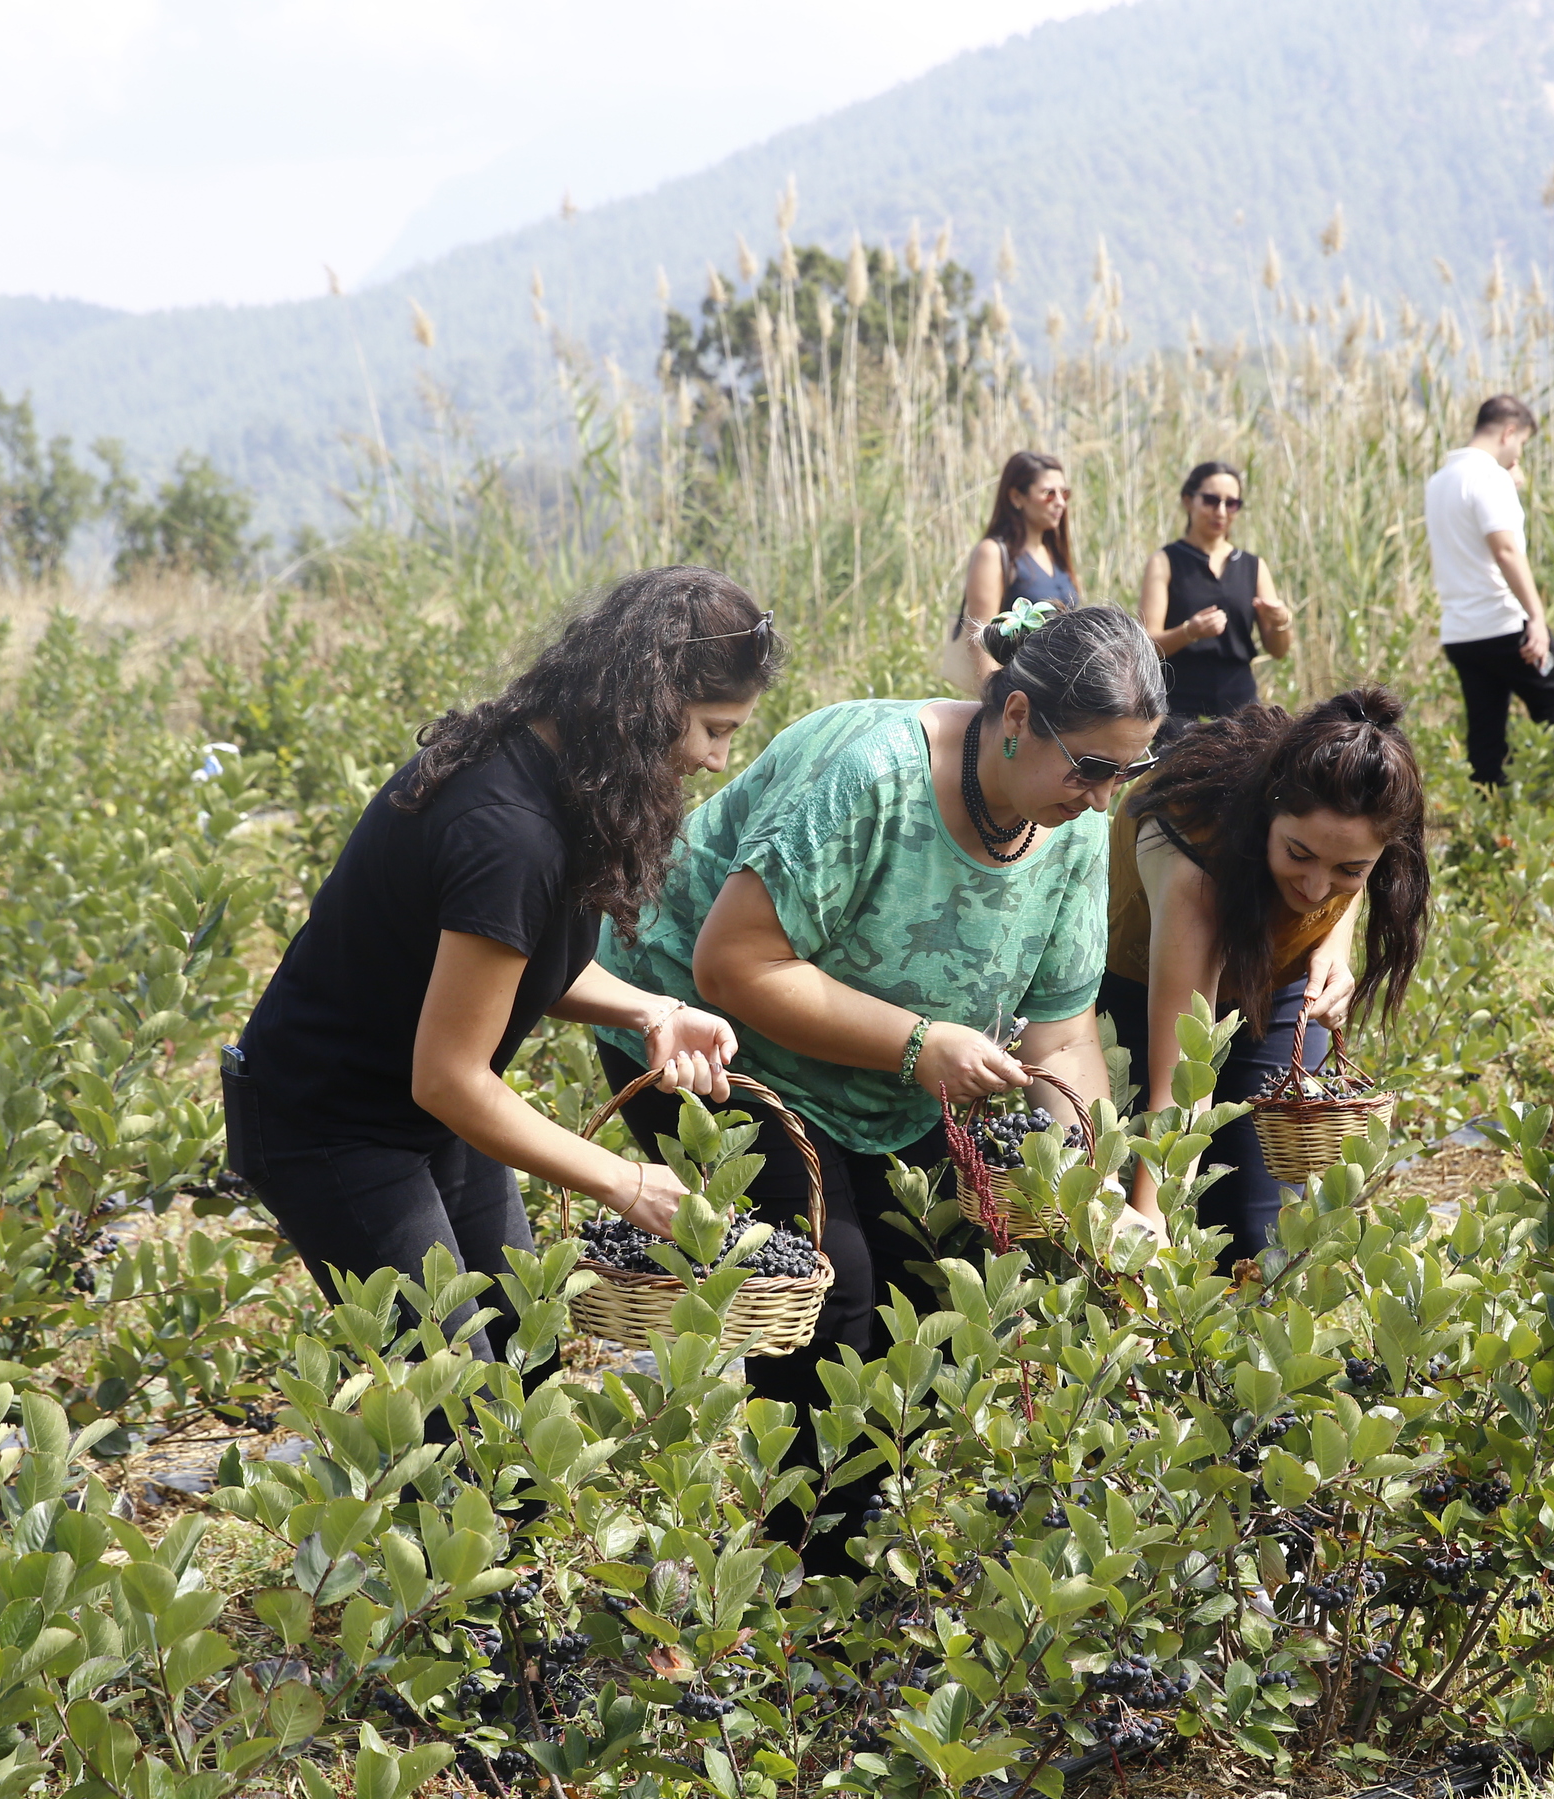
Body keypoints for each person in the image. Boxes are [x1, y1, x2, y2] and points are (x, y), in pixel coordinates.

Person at [598, 601, 1166, 1568]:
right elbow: (736, 966)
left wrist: (1095, 1178)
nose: (1107, 799)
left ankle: (854, 1550)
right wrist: (917, 1045)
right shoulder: (871, 775)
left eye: (1130, 771)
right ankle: (794, 1578)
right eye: (1093, 768)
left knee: (939, 1289)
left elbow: (1063, 1034)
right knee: (836, 1295)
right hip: (703, 1032)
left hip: (895, 1065)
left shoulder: (1065, 827)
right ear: (1018, 717)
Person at [227, 566, 778, 1367]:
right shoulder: (507, 832)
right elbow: (449, 1076)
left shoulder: (561, 775)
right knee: (454, 1404)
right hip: (330, 1124)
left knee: (528, 1349)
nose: (717, 759)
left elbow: (509, 961)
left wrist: (650, 1012)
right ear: (647, 707)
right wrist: (624, 1184)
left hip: (423, 1112)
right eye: (712, 729)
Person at [1097, 688, 1429, 1263]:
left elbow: (1336, 882)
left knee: (1264, 1241)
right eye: (1297, 855)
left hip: (1273, 988)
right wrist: (1146, 1237)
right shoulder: (1194, 867)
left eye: (1350, 869)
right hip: (1135, 987)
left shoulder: (1358, 836)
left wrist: (1333, 941)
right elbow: (1183, 1082)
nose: (1317, 888)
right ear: (1266, 815)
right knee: (1123, 1191)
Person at [1423, 395, 1554, 788]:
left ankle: (1489, 826)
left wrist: (1507, 483)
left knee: (1485, 738)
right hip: (1505, 627)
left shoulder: (1439, 481)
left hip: (1462, 634)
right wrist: (1537, 618)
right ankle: (1548, 802)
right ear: (1509, 432)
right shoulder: (1488, 478)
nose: (1519, 452)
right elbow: (1504, 550)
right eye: (1521, 442)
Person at [1136, 460, 1295, 735]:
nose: (1220, 511)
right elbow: (1148, 644)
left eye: (1231, 504)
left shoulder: (1253, 566)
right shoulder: (1165, 561)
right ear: (1188, 501)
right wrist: (1190, 632)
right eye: (1211, 500)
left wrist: (1281, 621)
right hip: (1179, 705)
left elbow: (1278, 650)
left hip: (1240, 705)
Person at [940, 449, 1081, 691]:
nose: (1060, 502)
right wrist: (997, 704)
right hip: (1018, 690)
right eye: (1049, 494)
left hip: (1060, 692)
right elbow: (979, 637)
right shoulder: (994, 552)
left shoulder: (1057, 555)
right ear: (1016, 497)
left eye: (1064, 493)